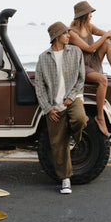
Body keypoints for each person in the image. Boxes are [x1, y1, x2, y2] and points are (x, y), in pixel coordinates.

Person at [35, 21, 88, 194]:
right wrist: (48, 108)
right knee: (57, 144)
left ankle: (74, 137)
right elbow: (39, 85)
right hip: (54, 106)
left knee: (80, 119)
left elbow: (81, 78)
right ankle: (65, 180)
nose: (69, 36)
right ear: (57, 36)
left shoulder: (75, 52)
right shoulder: (43, 58)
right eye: (65, 33)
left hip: (72, 99)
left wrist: (71, 96)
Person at [69, 1, 111, 137]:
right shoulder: (72, 33)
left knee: (107, 42)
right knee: (103, 80)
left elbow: (108, 35)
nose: (91, 16)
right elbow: (88, 48)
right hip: (82, 66)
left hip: (92, 61)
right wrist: (105, 36)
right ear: (83, 15)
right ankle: (100, 117)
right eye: (89, 14)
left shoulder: (88, 26)